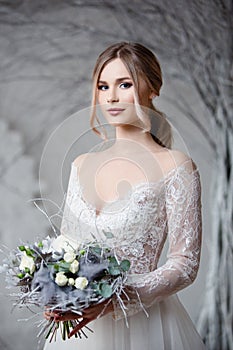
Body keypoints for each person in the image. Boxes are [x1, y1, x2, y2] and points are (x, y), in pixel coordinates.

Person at [44, 42, 206, 349]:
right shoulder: (81, 165)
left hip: (145, 325)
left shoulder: (176, 166)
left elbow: (185, 264)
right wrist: (55, 291)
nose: (112, 97)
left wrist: (115, 299)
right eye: (104, 86)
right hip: (80, 329)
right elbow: (66, 246)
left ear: (152, 89)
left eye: (125, 84)